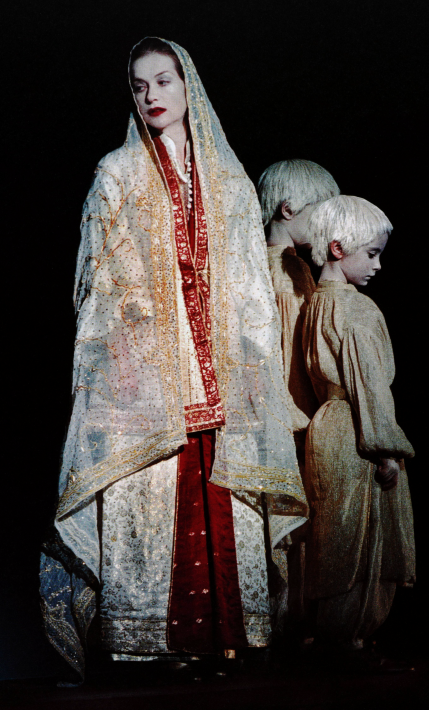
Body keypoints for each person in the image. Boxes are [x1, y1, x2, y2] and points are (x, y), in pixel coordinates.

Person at [40, 37, 307, 680]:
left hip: (221, 374)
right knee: (155, 496)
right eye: (140, 86)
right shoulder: (118, 173)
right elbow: (99, 280)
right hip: (147, 377)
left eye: (163, 81)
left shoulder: (230, 181)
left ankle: (228, 638)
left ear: (188, 86)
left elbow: (247, 284)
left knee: (223, 495)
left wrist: (247, 363)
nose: (152, 96)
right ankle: (151, 644)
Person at [302, 195, 415, 664]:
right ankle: (351, 641)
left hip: (325, 428)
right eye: (371, 254)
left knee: (332, 538)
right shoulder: (357, 310)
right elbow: (369, 386)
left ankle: (332, 640)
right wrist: (386, 450)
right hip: (356, 432)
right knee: (365, 542)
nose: (379, 266)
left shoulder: (313, 304)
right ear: (335, 247)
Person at [257, 160, 339, 635]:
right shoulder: (284, 275)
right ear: (288, 209)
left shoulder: (292, 269)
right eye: (319, 212)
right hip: (289, 417)